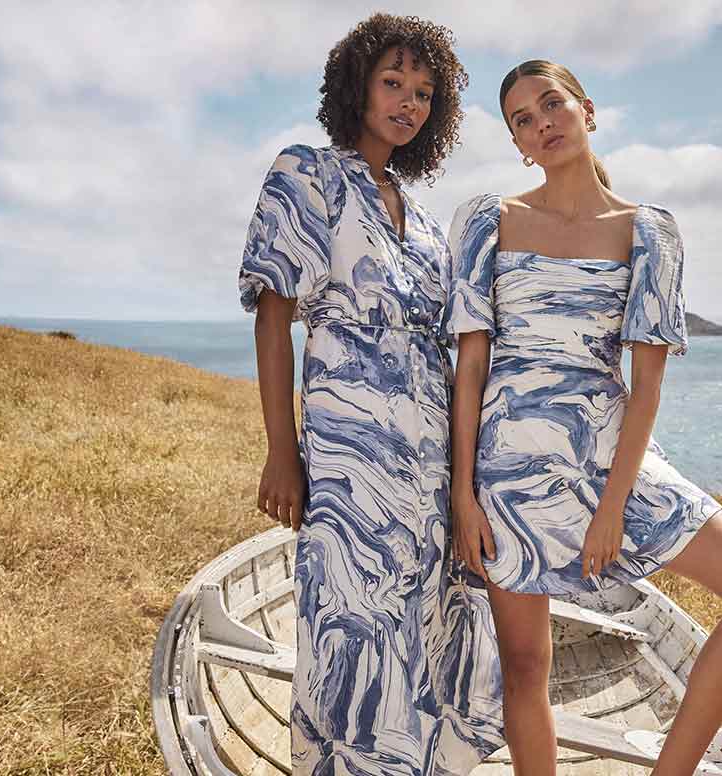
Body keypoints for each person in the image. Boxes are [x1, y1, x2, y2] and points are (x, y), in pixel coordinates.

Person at [445, 60, 722, 776]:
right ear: (517, 142)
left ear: (588, 111)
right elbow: (471, 368)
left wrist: (612, 506)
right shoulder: (490, 220)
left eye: (551, 104)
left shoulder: (649, 232)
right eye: (522, 118)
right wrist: (462, 494)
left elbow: (645, 387)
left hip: (612, 457)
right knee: (524, 663)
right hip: (510, 469)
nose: (541, 122)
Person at [238, 14, 503, 775]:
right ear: (357, 85)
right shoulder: (305, 174)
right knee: (353, 631)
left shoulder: (421, 219)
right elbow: (275, 315)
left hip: (429, 467)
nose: (408, 103)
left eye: (423, 92)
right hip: (351, 458)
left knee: (426, 634)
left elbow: (458, 342)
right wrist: (281, 452)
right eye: (393, 82)